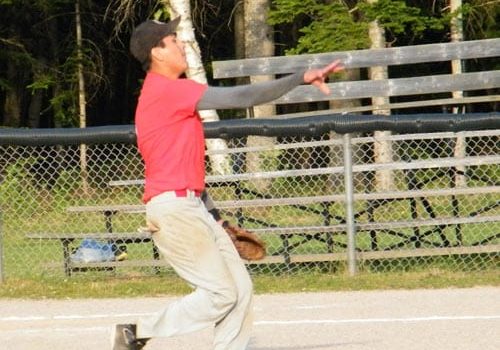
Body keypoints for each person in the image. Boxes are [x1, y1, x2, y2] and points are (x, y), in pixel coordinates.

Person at [111, 16, 344, 350]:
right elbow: (243, 96)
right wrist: (299, 78)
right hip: (174, 209)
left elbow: (185, 170)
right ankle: (136, 331)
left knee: (240, 291)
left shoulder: (169, 95)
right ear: (157, 52)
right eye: (174, 40)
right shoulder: (167, 90)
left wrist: (216, 217)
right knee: (221, 294)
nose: (182, 45)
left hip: (193, 206)